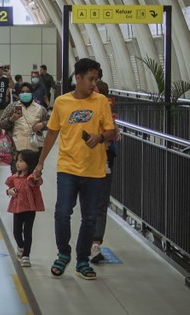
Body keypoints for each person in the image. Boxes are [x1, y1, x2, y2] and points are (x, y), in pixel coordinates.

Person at [32, 58, 116, 280]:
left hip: (93, 171)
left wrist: (99, 137)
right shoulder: (61, 102)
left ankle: (82, 260)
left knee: (89, 218)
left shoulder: (101, 102)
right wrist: (40, 163)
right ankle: (63, 253)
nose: (93, 84)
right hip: (68, 168)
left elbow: (112, 132)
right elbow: (51, 133)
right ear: (77, 78)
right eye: (90, 79)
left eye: (96, 79)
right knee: (62, 213)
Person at [91, 79, 121, 263]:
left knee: (101, 204)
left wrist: (112, 132)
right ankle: (87, 240)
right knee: (89, 204)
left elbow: (113, 134)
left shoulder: (110, 114)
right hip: (86, 161)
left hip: (106, 160)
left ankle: (95, 243)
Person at [5, 149, 45, 267]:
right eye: (17, 160)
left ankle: (26, 255)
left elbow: (36, 181)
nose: (17, 163)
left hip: (29, 209)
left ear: (30, 163)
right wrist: (9, 191)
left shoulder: (31, 177)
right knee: (16, 231)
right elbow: (9, 189)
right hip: (17, 208)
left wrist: (37, 175)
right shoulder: (14, 177)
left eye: (21, 161)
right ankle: (21, 246)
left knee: (28, 232)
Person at [0, 82, 49, 172]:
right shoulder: (13, 107)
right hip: (17, 151)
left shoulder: (40, 109)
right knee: (16, 179)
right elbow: (1, 124)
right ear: (18, 93)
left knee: (32, 181)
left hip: (34, 151)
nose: (25, 94)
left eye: (27, 91)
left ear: (32, 93)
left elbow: (52, 122)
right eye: (22, 92)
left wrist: (42, 125)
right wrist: (12, 119)